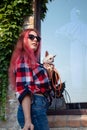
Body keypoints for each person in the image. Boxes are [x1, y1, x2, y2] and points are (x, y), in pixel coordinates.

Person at [8, 28, 51, 130]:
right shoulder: (24, 59)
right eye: (31, 37)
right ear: (23, 40)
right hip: (34, 109)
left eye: (37, 38)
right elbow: (25, 90)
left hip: (37, 108)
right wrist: (28, 121)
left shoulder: (32, 61)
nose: (35, 40)